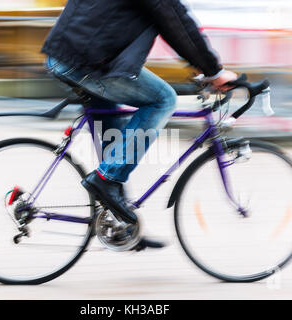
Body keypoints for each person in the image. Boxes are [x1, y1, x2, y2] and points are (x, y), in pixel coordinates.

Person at [42, 0, 237, 250]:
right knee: (163, 99)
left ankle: (119, 226)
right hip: (86, 60)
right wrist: (214, 72)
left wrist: (203, 67)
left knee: (115, 142)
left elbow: (172, 19)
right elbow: (174, 20)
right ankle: (105, 180)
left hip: (78, 54)